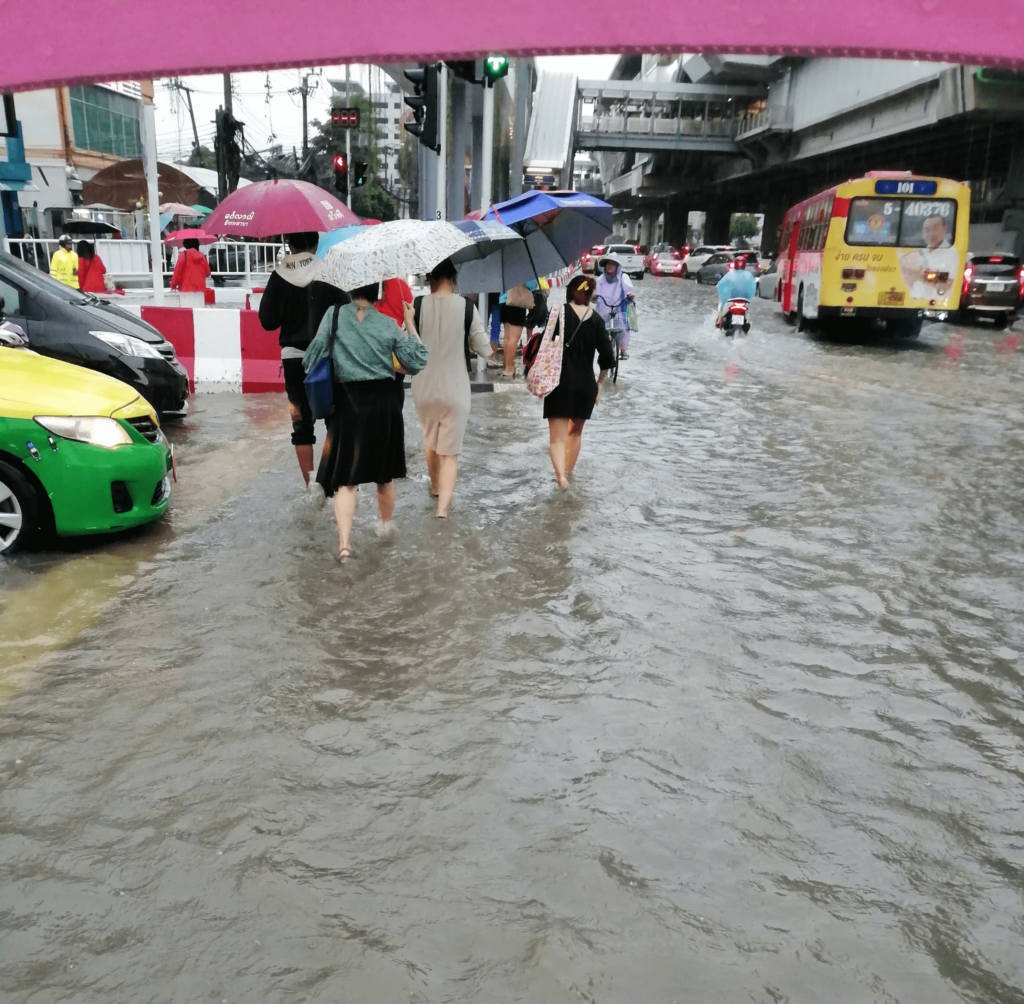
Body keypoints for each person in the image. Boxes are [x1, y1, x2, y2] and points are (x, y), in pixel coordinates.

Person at [303, 283, 428, 562]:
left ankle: (345, 546)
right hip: (384, 405)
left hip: (347, 405)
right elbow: (417, 361)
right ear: (379, 295)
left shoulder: (332, 316)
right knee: (384, 476)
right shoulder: (387, 324)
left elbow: (312, 358)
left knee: (347, 481)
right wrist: (409, 323)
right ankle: (385, 529)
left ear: (350, 292)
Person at [259, 232, 350, 493]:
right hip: (328, 360)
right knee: (334, 422)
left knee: (301, 426)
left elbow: (267, 321)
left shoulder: (279, 275)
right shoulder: (329, 272)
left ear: (290, 244)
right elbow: (345, 314)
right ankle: (330, 481)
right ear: (316, 244)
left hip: (293, 362)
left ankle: (312, 489)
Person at [410, 258, 490, 518]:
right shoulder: (467, 307)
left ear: (431, 281)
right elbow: (483, 349)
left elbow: (407, 342)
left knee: (430, 441)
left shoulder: (417, 304)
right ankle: (442, 511)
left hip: (423, 388)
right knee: (450, 453)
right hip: (455, 389)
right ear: (454, 281)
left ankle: (434, 489)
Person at [544, 274, 616, 490]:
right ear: (589, 294)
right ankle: (567, 472)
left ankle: (561, 478)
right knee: (575, 432)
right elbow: (607, 359)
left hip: (559, 383)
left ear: (571, 292)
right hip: (585, 385)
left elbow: (546, 347)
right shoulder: (597, 320)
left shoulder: (558, 313)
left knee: (557, 439)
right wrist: (599, 386)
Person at [900, 213, 959, 299]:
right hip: (914, 302)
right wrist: (907, 273)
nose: (931, 234)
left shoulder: (951, 252)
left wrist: (922, 276)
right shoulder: (920, 252)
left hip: (937, 304)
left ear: (944, 229)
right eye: (927, 230)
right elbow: (911, 282)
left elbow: (947, 284)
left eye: (935, 229)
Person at [592, 253, 635, 358]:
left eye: (613, 264)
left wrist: (630, 295)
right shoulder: (600, 280)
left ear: (617, 266)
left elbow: (629, 290)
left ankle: (623, 350)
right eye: (608, 264)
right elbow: (595, 294)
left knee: (623, 327)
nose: (610, 266)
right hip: (603, 311)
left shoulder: (623, 278)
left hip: (619, 309)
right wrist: (593, 296)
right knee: (596, 329)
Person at [498, 280, 537, 378]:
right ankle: (509, 368)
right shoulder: (523, 267)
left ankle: (507, 367)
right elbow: (532, 285)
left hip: (503, 301)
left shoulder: (506, 266)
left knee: (507, 337)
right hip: (516, 303)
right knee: (514, 338)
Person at [715, 254, 756, 326]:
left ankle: (719, 321)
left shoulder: (730, 274)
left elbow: (721, 285)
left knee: (721, 307)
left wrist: (723, 295)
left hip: (731, 301)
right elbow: (753, 288)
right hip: (744, 301)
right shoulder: (749, 275)